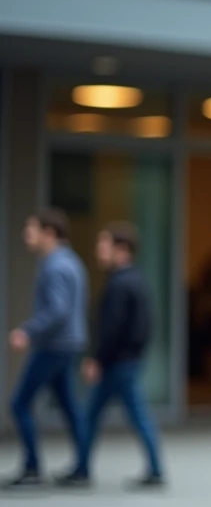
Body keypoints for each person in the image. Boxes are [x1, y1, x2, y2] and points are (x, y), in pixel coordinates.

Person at [57, 223, 165, 489]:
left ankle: (83, 469)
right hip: (126, 361)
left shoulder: (120, 284)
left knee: (96, 415)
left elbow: (112, 328)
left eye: (104, 245)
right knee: (118, 415)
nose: (99, 251)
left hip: (117, 364)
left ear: (122, 249)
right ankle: (151, 468)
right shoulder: (135, 280)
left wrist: (97, 359)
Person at [5, 209, 89, 488]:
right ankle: (82, 468)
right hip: (68, 344)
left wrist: (27, 331)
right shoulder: (71, 263)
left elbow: (58, 310)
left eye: (31, 230)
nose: (26, 236)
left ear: (49, 233)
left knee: (19, 403)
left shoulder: (56, 266)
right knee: (68, 406)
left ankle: (32, 468)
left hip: (53, 346)